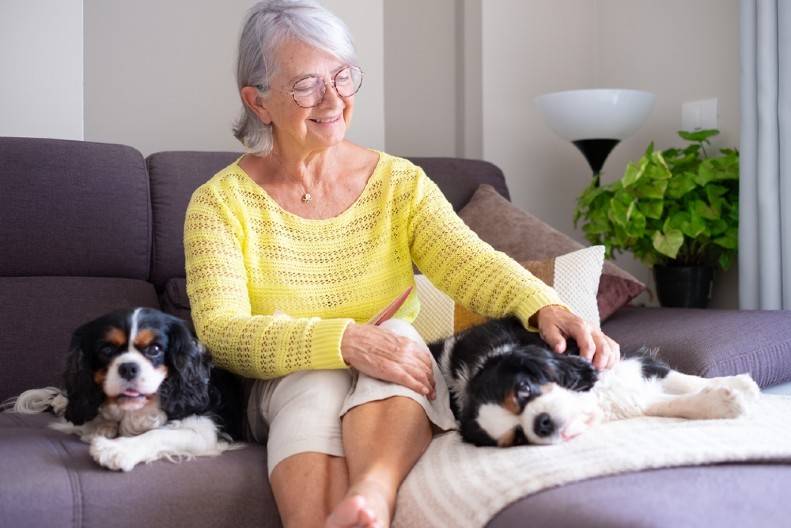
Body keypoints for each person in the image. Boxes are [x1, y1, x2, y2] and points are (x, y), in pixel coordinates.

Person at [183, 1, 620, 527]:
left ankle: (371, 498)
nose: (333, 99)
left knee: (403, 342)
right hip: (281, 380)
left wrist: (542, 304)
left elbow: (469, 262)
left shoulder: (398, 183)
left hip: (389, 364)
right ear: (258, 102)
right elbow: (221, 331)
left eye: (342, 77)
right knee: (317, 380)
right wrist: (343, 340)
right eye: (306, 85)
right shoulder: (218, 203)